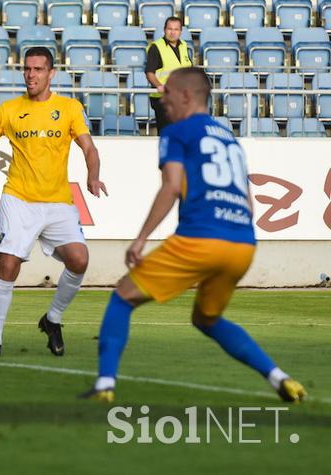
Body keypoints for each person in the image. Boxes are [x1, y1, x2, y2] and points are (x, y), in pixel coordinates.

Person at [81, 67, 305, 403]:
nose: (163, 97)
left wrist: (141, 239)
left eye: (167, 91)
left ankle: (104, 387)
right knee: (207, 318)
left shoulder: (177, 132)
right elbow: (247, 200)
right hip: (242, 244)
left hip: (201, 238)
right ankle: (280, 378)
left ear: (186, 95)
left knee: (123, 297)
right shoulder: (230, 139)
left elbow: (171, 187)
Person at [0, 47, 107, 358]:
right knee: (8, 263)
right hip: (18, 199)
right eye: (27, 69)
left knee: (79, 260)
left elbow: (89, 148)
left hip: (58, 203)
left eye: (38, 69)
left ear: (52, 74)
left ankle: (52, 319)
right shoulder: (9, 110)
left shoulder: (69, 108)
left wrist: (93, 175)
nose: (31, 75)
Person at [144, 16, 192, 134]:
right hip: (163, 98)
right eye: (170, 29)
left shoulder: (184, 46)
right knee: (167, 133)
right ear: (164, 30)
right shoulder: (156, 47)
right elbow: (150, 73)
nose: (172, 32)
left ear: (181, 31)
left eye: (176, 29)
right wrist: (160, 86)